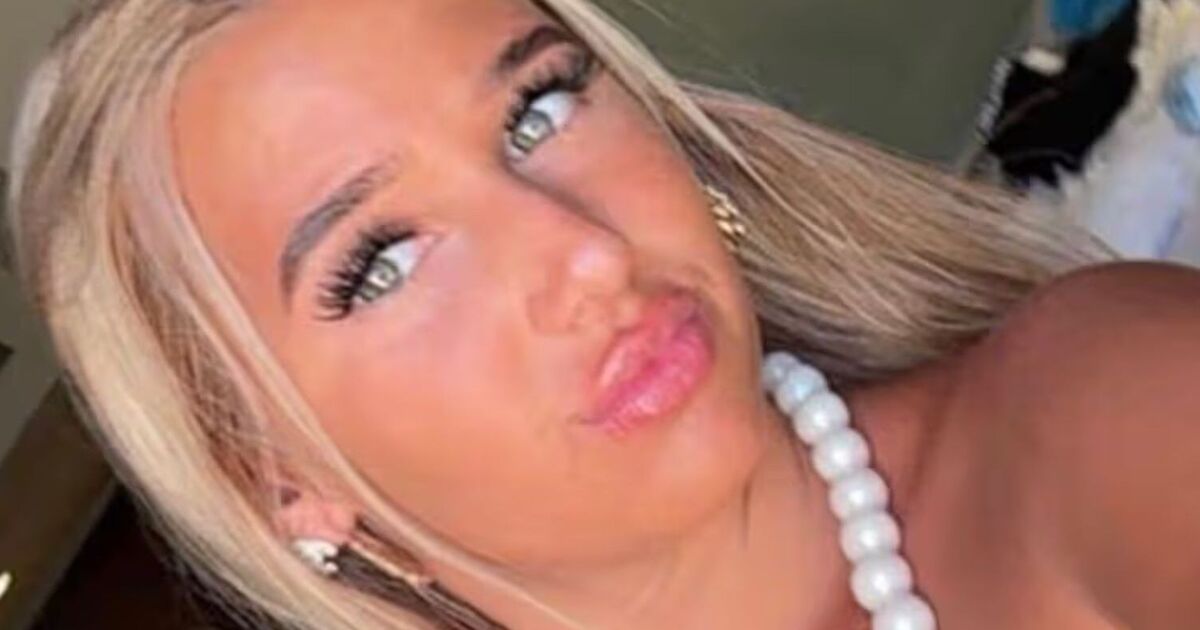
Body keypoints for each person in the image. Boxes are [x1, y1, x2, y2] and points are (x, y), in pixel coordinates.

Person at [5, 0, 1199, 628]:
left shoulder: (1102, 417)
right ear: (278, 482)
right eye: (381, 262)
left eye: (538, 110)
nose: (584, 253)